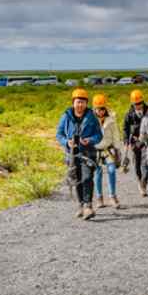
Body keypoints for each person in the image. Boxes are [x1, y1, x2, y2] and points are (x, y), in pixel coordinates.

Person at [57, 87, 102, 220]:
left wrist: (90, 140)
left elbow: (99, 135)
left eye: (83, 102)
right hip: (72, 154)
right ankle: (81, 205)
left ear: (86, 103)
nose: (80, 104)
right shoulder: (66, 116)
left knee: (87, 177)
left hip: (88, 153)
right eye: (78, 101)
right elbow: (59, 134)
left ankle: (88, 206)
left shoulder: (92, 117)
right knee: (77, 180)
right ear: (73, 102)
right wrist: (67, 142)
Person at [92, 93, 122, 209]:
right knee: (98, 173)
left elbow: (116, 135)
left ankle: (112, 196)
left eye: (102, 109)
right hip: (95, 151)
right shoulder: (90, 121)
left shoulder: (111, 120)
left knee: (112, 170)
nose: (100, 112)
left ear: (105, 109)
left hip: (108, 150)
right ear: (94, 109)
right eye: (98, 109)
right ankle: (99, 198)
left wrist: (118, 150)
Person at [122, 89, 148, 191]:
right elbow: (125, 128)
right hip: (134, 141)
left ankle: (144, 182)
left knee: (145, 163)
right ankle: (139, 180)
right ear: (132, 104)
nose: (138, 105)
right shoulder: (129, 114)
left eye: (140, 103)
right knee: (137, 162)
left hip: (146, 141)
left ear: (142, 101)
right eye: (135, 104)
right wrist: (126, 140)